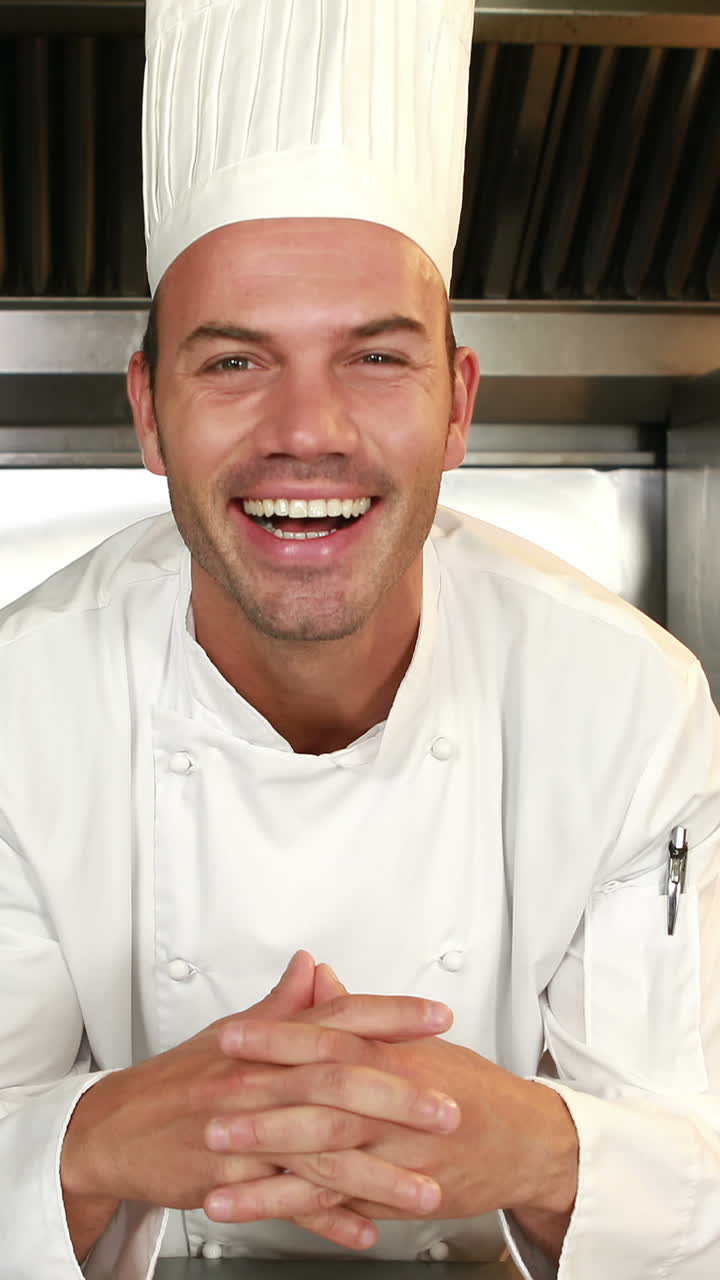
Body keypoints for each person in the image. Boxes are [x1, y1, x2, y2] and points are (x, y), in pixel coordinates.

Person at [2, 2, 719, 1277]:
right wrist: (92, 1138)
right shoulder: (18, 705)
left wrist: (542, 1149)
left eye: (376, 359)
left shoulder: (626, 705)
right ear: (148, 411)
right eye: (234, 363)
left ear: (458, 404)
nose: (309, 429)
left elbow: (696, 1181)